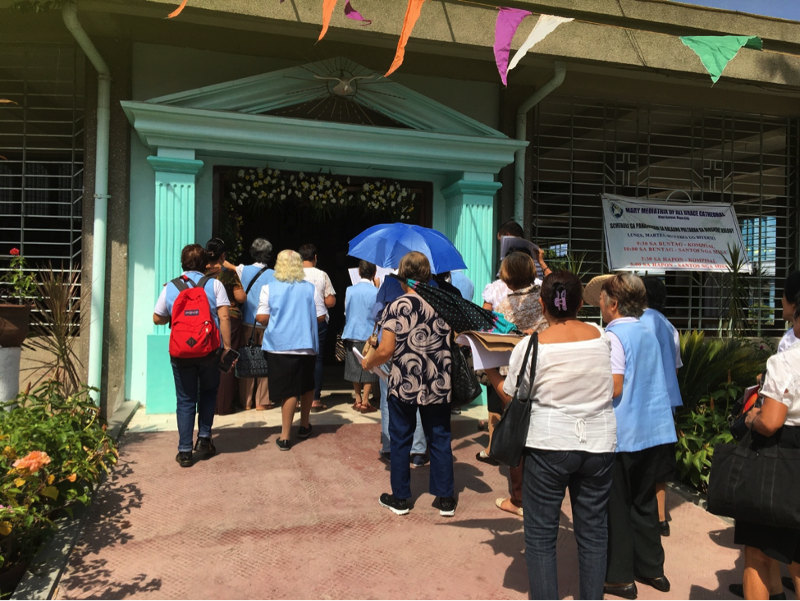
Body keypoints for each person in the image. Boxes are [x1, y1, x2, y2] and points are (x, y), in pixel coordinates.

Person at [486, 271, 616, 599]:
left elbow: (512, 396)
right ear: (579, 304)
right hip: (599, 446)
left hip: (548, 447)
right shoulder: (602, 337)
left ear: (543, 305)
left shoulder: (531, 347)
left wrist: (488, 370)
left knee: (541, 539)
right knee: (593, 535)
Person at [586, 272, 676, 600]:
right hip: (655, 430)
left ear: (613, 304)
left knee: (617, 506)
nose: (598, 302)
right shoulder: (649, 330)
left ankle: (620, 577)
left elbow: (615, 385)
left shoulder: (611, 337)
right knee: (644, 502)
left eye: (602, 298)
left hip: (623, 433)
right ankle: (652, 568)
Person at [362, 251, 457, 517]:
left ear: (402, 277)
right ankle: (445, 499)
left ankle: (401, 498)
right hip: (438, 380)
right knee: (439, 438)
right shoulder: (443, 304)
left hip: (405, 381)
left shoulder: (398, 306)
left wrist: (369, 361)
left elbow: (386, 350)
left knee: (401, 438)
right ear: (427, 276)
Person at [730, 271, 800, 600]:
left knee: (757, 551)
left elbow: (772, 422)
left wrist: (752, 417)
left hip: (783, 460)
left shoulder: (786, 361)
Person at [153, 243, 232, 467]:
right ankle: (204, 440)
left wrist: (176, 316)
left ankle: (185, 451)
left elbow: (157, 317)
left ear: (182, 263)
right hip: (209, 351)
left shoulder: (170, 287)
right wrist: (226, 347)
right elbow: (224, 317)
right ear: (205, 263)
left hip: (181, 352)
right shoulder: (214, 285)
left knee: (186, 399)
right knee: (208, 393)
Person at [482, 252, 549, 518]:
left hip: (515, 375)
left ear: (508, 280)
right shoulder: (545, 298)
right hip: (545, 368)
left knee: (516, 434)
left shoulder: (505, 307)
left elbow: (495, 341)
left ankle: (519, 499)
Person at [256, 250, 326, 450]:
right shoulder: (309, 288)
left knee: (288, 390)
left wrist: (280, 317)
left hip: (279, 345)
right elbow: (321, 315)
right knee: (306, 385)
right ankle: (304, 425)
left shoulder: (269, 288)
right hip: (305, 344)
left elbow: (261, 317)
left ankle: (285, 435)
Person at [639, 275, 683, 537]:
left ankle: (639, 515)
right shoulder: (670, 328)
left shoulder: (634, 323)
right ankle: (660, 518)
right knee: (660, 464)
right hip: (665, 405)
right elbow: (675, 370)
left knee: (637, 460)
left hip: (639, 404)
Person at [228, 238, 275, 410]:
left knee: (247, 359)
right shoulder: (274, 274)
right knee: (264, 361)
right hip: (267, 322)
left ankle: (246, 401)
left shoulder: (242, 270)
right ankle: (262, 401)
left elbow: (226, 265)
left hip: (247, 322)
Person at [205, 238, 243, 416]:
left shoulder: (201, 272)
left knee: (209, 361)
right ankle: (224, 405)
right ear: (223, 255)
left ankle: (210, 405)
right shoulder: (228, 273)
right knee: (228, 360)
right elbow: (241, 297)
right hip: (230, 318)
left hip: (207, 320)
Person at [298, 243, 336, 411]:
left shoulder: (294, 275)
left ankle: (298, 397)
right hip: (318, 320)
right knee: (317, 359)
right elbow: (330, 301)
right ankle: (314, 399)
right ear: (315, 258)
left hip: (298, 321)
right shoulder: (322, 275)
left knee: (299, 358)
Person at [342, 260, 379, 413]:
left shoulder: (349, 290)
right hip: (369, 334)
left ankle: (357, 399)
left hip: (352, 332)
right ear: (374, 273)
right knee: (369, 367)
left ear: (359, 272)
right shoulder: (376, 292)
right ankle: (365, 401)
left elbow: (346, 311)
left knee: (354, 366)